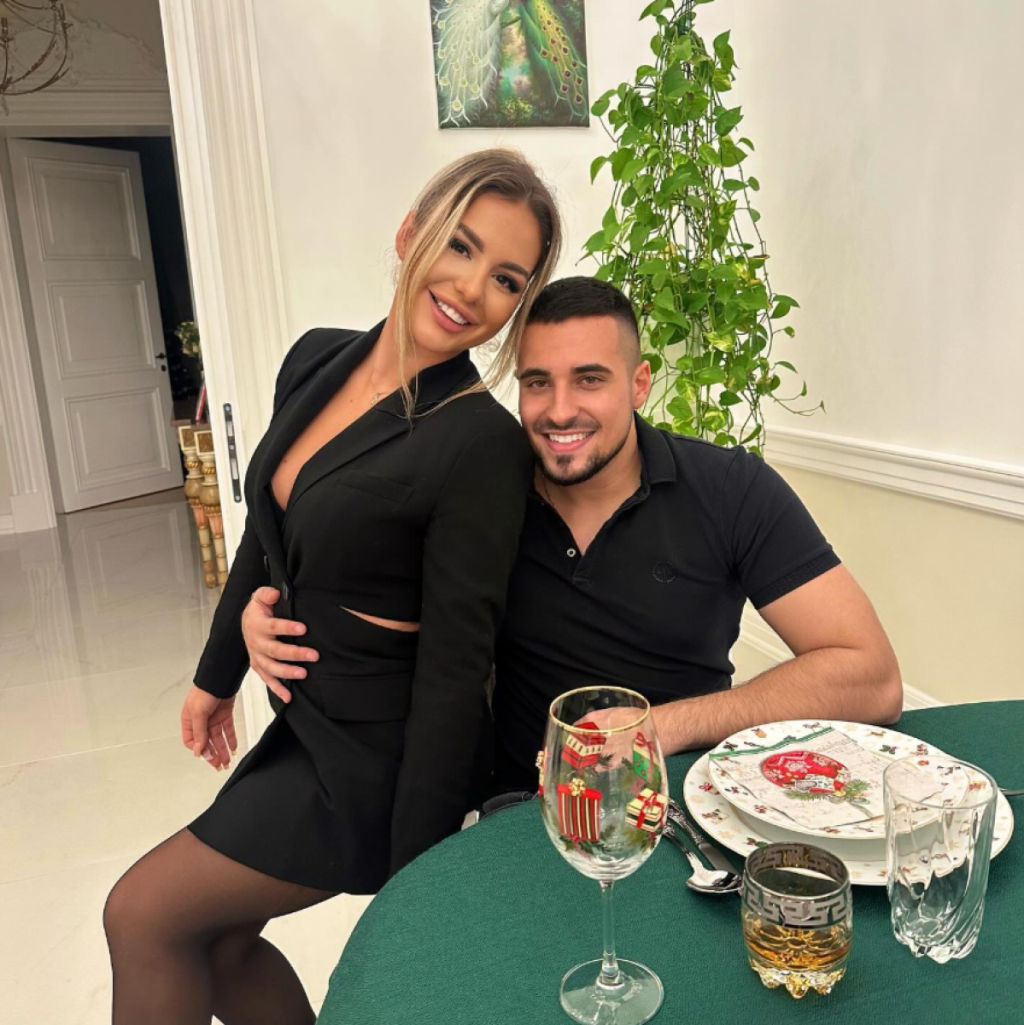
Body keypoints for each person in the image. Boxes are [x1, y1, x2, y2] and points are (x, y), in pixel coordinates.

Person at [102, 149, 562, 1025]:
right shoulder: (315, 359)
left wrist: (418, 873)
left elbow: (458, 664)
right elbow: (269, 528)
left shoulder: (480, 442)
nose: (471, 289)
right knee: (222, 944)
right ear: (410, 233)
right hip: (304, 727)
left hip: (376, 761)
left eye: (507, 278)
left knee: (143, 914)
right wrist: (216, 672)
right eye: (460, 245)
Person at [492, 276, 903, 791]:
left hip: (685, 801)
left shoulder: (730, 488)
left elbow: (873, 678)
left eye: (589, 379)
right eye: (537, 383)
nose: (559, 410)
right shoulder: (488, 490)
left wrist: (663, 727)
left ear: (639, 384)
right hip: (519, 810)